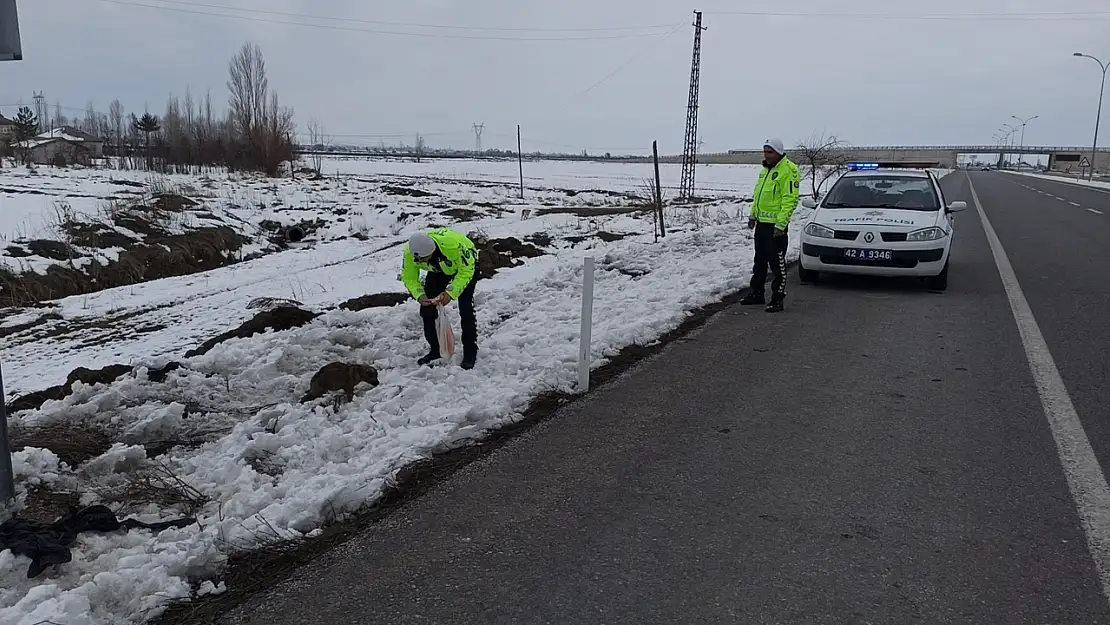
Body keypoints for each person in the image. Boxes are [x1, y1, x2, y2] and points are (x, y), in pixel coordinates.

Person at [401, 228, 480, 369]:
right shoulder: (410, 252)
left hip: (466, 266)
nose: (418, 262)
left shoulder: (453, 246)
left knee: (466, 307)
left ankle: (470, 351)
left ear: (431, 252)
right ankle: (435, 350)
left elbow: (466, 270)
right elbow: (409, 277)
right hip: (438, 269)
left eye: (422, 259)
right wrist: (420, 295)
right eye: (417, 260)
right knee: (427, 309)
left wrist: (450, 293)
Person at [740, 138, 801, 313]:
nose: (766, 155)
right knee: (759, 261)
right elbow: (758, 195)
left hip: (776, 227)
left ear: (779, 152)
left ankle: (777, 299)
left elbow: (790, 199)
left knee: (777, 264)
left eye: (770, 152)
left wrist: (781, 225)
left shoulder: (789, 170)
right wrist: (753, 215)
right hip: (762, 224)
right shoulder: (765, 170)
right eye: (765, 151)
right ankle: (757, 293)